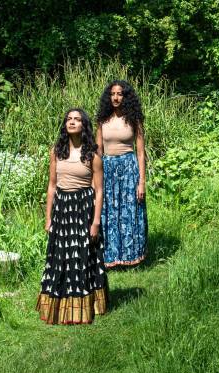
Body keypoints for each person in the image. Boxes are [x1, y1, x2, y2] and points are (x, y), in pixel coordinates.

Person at [36, 108, 108, 324]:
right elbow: (51, 186)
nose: (72, 122)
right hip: (62, 208)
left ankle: (88, 304)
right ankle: (59, 302)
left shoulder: (92, 154)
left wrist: (96, 221)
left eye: (77, 119)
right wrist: (48, 217)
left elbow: (99, 190)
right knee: (60, 256)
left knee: (83, 256)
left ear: (83, 125)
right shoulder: (56, 152)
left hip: (84, 208)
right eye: (69, 119)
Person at [96, 80, 148, 269]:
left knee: (130, 212)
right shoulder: (102, 120)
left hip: (128, 168)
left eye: (120, 94)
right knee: (108, 213)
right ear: (108, 97)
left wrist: (141, 182)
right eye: (112, 94)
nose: (116, 97)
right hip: (107, 169)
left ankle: (132, 255)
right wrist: (95, 180)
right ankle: (110, 256)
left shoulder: (134, 119)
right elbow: (98, 151)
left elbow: (141, 152)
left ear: (126, 97)